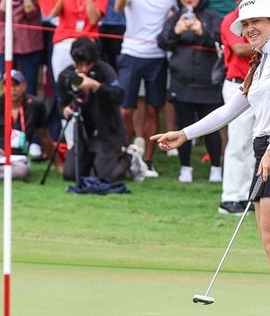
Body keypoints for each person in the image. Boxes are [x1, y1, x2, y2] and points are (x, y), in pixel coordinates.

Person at [153, 0, 270, 316]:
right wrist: (184, 133)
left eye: (255, 21)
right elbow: (229, 110)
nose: (249, 29)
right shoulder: (260, 64)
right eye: (244, 24)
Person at [57, 37, 143, 182]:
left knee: (101, 177)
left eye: (87, 64)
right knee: (70, 174)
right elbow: (61, 103)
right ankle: (94, 162)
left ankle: (128, 158)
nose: (84, 69)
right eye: (80, 65)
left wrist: (96, 86)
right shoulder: (67, 76)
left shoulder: (104, 70)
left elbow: (119, 95)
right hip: (84, 134)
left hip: (108, 132)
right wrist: (65, 110)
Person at [157, 0, 224, 183]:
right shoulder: (175, 17)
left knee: (212, 128)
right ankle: (185, 167)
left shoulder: (213, 17)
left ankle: (216, 168)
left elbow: (221, 41)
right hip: (182, 82)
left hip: (208, 82)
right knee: (184, 127)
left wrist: (201, 30)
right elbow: (162, 42)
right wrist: (176, 30)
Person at [115, 0, 176, 178]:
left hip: (157, 56)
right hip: (131, 53)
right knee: (125, 110)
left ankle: (148, 162)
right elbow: (118, 8)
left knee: (152, 109)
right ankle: (124, 157)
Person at [218, 0, 257, 214]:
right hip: (237, 86)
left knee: (252, 145)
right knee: (238, 142)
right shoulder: (230, 19)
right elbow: (239, 48)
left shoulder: (260, 20)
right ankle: (229, 197)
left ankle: (243, 196)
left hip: (256, 86)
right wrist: (268, 42)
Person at [0, 0, 43, 95]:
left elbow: (31, 12)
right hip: (4, 44)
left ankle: (28, 110)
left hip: (29, 44)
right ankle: (8, 110)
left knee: (29, 88)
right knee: (7, 86)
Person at [49, 0, 107, 82]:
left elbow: (93, 19)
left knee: (85, 83)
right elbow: (53, 13)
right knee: (63, 82)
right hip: (64, 42)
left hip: (86, 44)